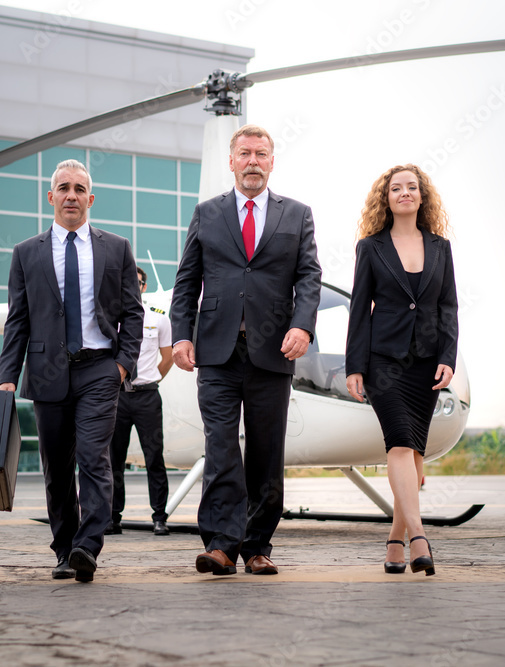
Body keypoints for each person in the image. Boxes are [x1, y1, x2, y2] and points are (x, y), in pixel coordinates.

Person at [171, 124, 322, 576]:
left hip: (273, 352)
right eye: (244, 153)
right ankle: (220, 544)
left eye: (261, 153)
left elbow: (309, 278)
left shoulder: (296, 214)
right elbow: (186, 281)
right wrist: (182, 335)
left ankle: (258, 546)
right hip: (216, 352)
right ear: (232, 161)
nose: (252, 160)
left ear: (271, 162)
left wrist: (303, 327)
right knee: (220, 448)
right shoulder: (206, 213)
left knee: (265, 452)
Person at [0, 159, 144, 583]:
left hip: (100, 368)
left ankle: (87, 546)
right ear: (51, 197)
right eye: (64, 188)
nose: (72, 196)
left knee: (94, 458)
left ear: (90, 199)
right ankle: (64, 549)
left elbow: (132, 314)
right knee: (56, 468)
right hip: (46, 372)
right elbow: (18, 320)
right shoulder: (26, 253)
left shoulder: (115, 248)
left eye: (80, 189)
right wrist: (9, 374)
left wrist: (122, 365)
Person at [344, 164, 458, 577]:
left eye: (412, 187)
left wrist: (448, 356)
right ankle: (419, 538)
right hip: (383, 362)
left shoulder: (441, 247)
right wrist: (354, 366)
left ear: (422, 196)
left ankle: (394, 541)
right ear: (386, 198)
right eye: (396, 188)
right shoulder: (371, 247)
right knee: (398, 443)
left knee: (415, 455)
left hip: (426, 362)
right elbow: (358, 308)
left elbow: (449, 307)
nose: (405, 192)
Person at [107, 267, 173, 536]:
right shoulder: (110, 320)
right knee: (113, 459)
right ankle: (112, 518)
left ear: (144, 287)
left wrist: (153, 379)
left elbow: (167, 358)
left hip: (147, 397)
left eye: (137, 283)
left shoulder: (158, 320)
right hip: (117, 397)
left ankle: (159, 517)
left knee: (154, 457)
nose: (133, 286)